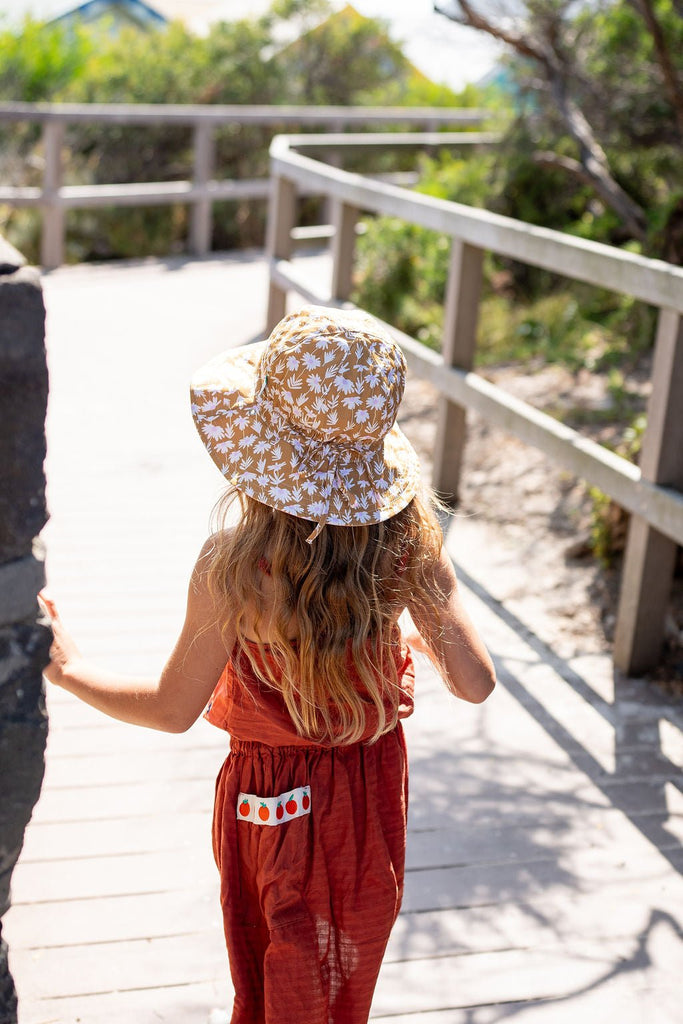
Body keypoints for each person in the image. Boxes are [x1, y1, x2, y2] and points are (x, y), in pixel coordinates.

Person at [42, 305, 495, 1024]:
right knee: (339, 988)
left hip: (268, 800)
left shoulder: (234, 572)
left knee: (271, 983)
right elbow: (473, 683)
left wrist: (67, 668)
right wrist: (405, 622)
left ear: (264, 448)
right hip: (369, 797)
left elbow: (169, 709)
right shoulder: (408, 548)